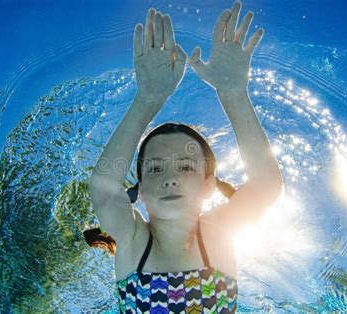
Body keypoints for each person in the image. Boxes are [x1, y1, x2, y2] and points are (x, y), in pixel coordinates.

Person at [86, 1, 284, 312]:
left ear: (209, 185)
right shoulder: (133, 238)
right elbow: (104, 187)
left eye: (185, 167)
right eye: (154, 169)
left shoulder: (217, 234)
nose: (170, 179)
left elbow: (265, 185)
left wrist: (234, 93)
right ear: (139, 190)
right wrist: (147, 98)